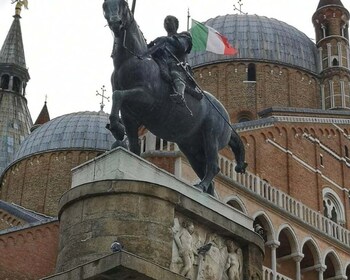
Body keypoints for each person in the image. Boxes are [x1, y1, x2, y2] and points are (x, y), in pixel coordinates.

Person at [147, 15, 192, 103]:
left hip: (177, 66)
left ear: (176, 24)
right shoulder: (161, 41)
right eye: (165, 21)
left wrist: (166, 39)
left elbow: (182, 46)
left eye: (169, 20)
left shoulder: (184, 36)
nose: (167, 22)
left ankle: (180, 95)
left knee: (174, 73)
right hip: (163, 65)